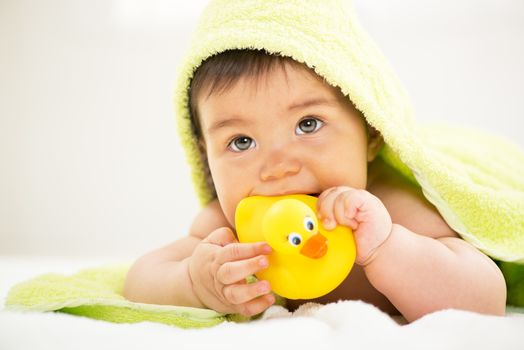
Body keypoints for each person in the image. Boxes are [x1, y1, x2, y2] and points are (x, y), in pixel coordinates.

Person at [123, 1, 508, 323]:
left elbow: (485, 299)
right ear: (205, 153)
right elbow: (140, 280)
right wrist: (193, 283)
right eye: (241, 141)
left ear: (371, 131)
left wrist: (387, 247)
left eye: (308, 124)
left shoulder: (392, 209)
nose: (278, 167)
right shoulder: (228, 233)